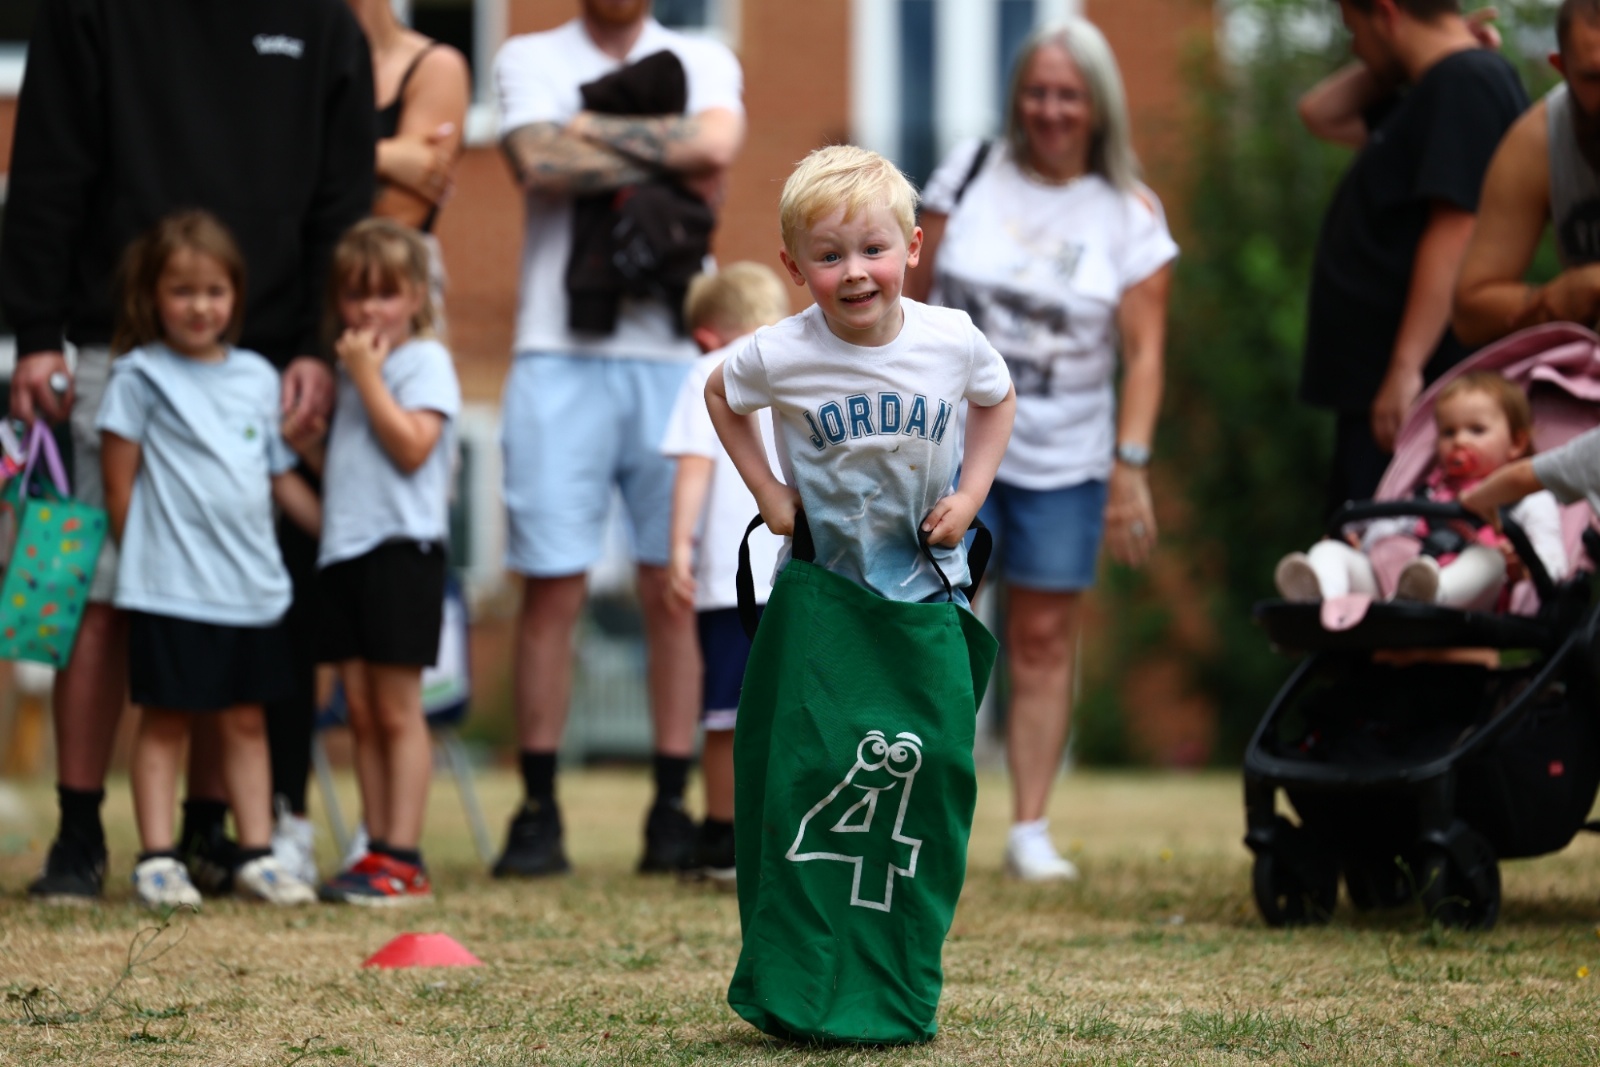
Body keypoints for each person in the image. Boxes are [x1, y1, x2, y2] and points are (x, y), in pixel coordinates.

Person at [0, 0, 374, 902]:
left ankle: (209, 833)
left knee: (226, 598)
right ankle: (79, 832)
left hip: (262, 364)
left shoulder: (323, 22)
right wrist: (36, 335)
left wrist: (316, 349)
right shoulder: (89, 11)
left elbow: (343, 196)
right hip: (109, 353)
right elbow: (45, 169)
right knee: (93, 597)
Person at [903, 18, 1176, 881]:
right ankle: (914, 810)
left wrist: (1131, 465)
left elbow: (1146, 354)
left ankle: (1029, 827)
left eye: (1068, 95)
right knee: (933, 625)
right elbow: (910, 298)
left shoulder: (1130, 213)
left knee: (1044, 637)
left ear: (1098, 106)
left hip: (1065, 459)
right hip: (948, 448)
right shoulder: (969, 172)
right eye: (1037, 92)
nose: (1051, 110)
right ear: (1017, 97)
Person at [490, 0, 745, 877]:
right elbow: (536, 159)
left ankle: (672, 808)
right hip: (555, 349)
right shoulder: (529, 56)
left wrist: (590, 129)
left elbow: (718, 148)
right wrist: (670, 147)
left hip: (677, 351)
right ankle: (538, 808)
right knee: (551, 585)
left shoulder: (703, 55)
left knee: (674, 583)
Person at [98, 212, 322, 909]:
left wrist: (337, 534)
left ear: (236, 296)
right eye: (182, 290)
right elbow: (118, 487)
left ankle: (257, 855)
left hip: (250, 586)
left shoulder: (257, 376)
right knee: (166, 719)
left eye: (215, 291)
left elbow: (279, 476)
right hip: (170, 587)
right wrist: (151, 564)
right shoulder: (138, 377)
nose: (200, 306)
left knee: (247, 721)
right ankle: (158, 859)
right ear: (152, 295)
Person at [706, 143, 1016, 607]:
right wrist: (766, 490)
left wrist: (971, 496)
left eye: (873, 250)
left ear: (912, 247)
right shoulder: (781, 352)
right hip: (820, 590)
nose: (854, 272)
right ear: (794, 266)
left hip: (931, 586)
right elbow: (719, 394)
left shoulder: (952, 339)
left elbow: (999, 397)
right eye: (830, 257)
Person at [1297, 0, 1527, 518]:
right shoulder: (1435, 89)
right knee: (1355, 539)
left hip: (1422, 393)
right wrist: (1416, 52)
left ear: (1386, 12)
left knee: (1391, 543)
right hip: (1388, 389)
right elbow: (1320, 113)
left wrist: (1406, 366)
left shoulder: (1465, 83)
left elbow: (1457, 226)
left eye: (1354, 28)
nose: (1354, 46)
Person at [294, 220, 461, 906]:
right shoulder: (352, 370)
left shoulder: (423, 361)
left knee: (397, 711)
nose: (368, 309)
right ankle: (374, 847)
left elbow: (413, 448)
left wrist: (365, 378)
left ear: (416, 296)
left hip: (402, 552)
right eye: (354, 294)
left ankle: (403, 854)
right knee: (360, 711)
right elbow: (354, 474)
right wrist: (306, 448)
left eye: (385, 294)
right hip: (347, 552)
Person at [659, 263, 790, 885]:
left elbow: (695, 466)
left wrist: (677, 548)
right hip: (803, 569)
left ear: (706, 334)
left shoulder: (707, 371)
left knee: (726, 714)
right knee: (794, 707)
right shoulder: (803, 362)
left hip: (731, 578)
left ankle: (722, 836)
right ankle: (787, 839)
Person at [1275, 371, 1566, 608]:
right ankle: (1321, 597)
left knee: (1490, 560)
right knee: (1329, 550)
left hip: (1468, 598)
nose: (1459, 440)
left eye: (1476, 430)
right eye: (1448, 432)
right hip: (1395, 589)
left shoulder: (1528, 499)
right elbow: (1386, 530)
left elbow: (1554, 564)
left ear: (1516, 442)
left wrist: (1522, 565)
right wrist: (1362, 542)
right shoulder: (1429, 493)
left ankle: (1431, 595)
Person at [1454, 0, 1600, 345]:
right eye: (1594, 78)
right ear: (1562, 68)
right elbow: (1470, 313)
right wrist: (1559, 297)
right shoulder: (1540, 140)